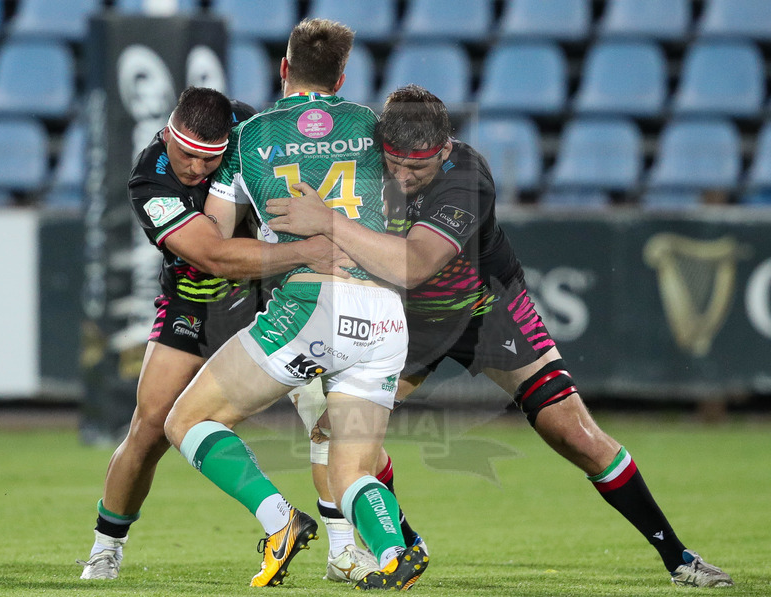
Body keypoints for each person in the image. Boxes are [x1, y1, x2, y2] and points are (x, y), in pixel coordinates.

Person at [266, 84, 735, 588]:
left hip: (486, 310)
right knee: (345, 439)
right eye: (393, 163)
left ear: (444, 149)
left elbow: (416, 265)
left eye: (416, 169)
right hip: (402, 323)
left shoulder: (467, 176)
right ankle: (404, 544)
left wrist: (331, 222)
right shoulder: (362, 163)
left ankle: (678, 557)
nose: (402, 177)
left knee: (575, 435)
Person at [162, 20, 428, 589]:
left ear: (283, 70)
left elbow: (214, 239)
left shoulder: (250, 138)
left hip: (310, 307)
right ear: (342, 76)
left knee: (187, 420)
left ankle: (279, 519)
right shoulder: (371, 127)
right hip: (384, 315)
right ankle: (390, 552)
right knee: (350, 465)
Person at [78, 86, 352, 581]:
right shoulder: (150, 179)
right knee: (150, 427)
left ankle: (351, 549)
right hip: (195, 304)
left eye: (211, 159)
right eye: (186, 155)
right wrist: (307, 252)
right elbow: (213, 255)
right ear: (167, 133)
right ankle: (105, 548)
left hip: (270, 298)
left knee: (332, 416)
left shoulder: (251, 132)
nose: (197, 170)